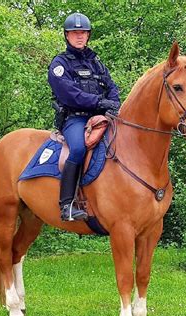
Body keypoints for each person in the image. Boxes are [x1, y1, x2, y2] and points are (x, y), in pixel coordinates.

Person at [48, 12, 120, 221]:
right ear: (67, 35)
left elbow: (111, 86)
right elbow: (70, 94)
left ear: (88, 35)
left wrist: (113, 103)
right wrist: (99, 102)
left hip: (101, 118)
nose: (79, 36)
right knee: (78, 149)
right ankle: (67, 205)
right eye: (74, 33)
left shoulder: (95, 62)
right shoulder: (60, 64)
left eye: (83, 32)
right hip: (75, 119)